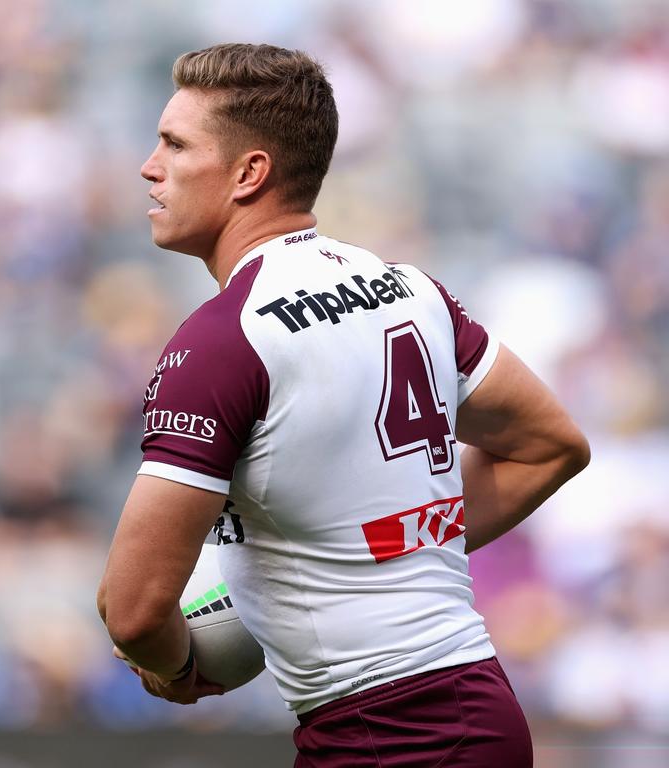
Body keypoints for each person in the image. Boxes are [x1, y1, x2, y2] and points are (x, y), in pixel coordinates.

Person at [96, 43, 590, 767]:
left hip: (391, 735)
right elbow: (551, 445)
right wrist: (387, 553)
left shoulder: (221, 342)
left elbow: (133, 610)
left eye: (173, 143)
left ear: (249, 174)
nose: (150, 165)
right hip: (474, 713)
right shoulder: (410, 289)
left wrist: (180, 668)